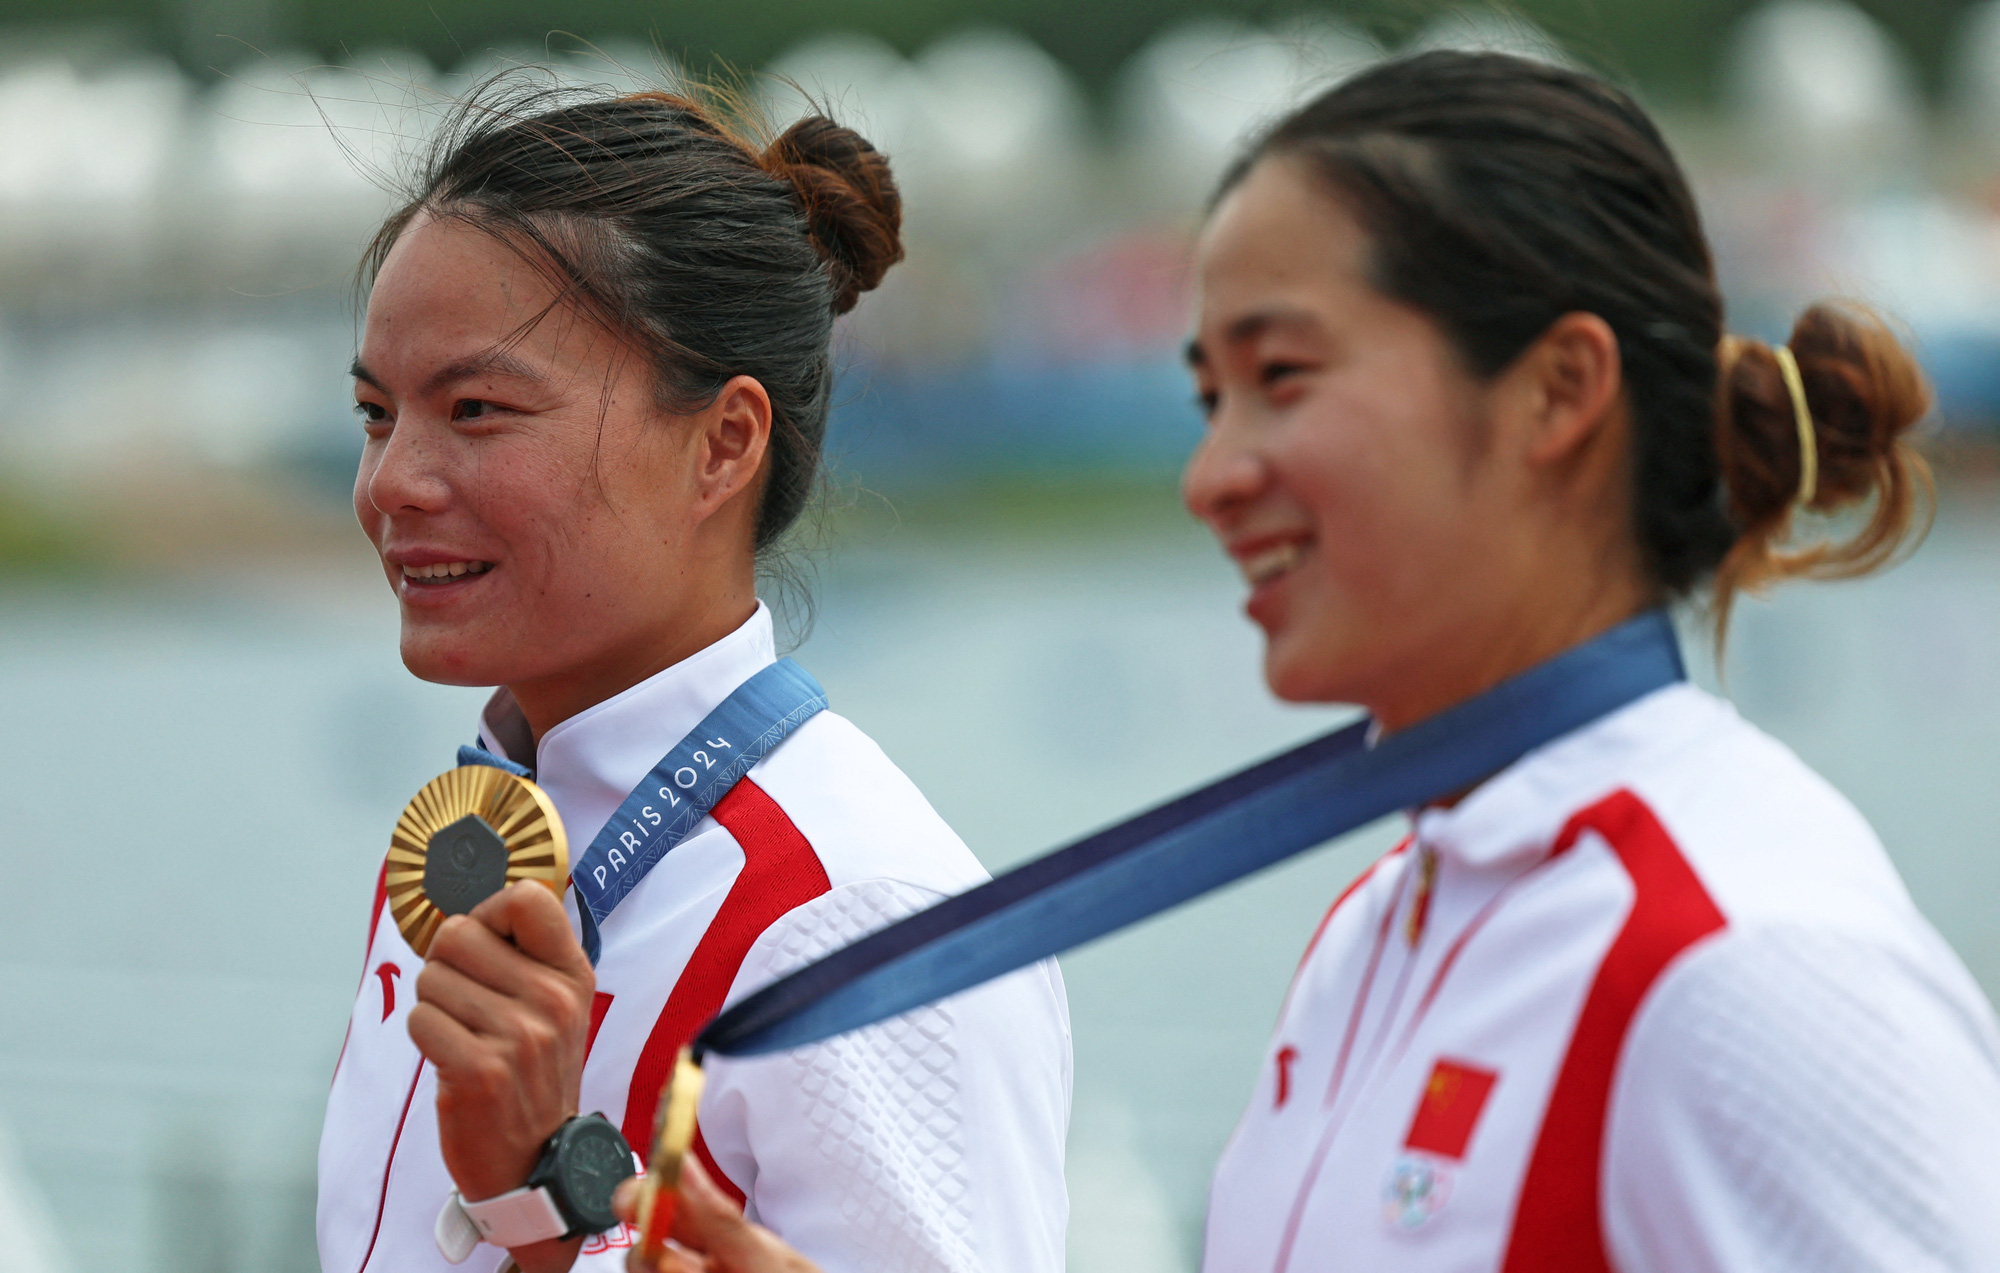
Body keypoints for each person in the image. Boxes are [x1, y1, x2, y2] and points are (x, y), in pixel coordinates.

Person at [613, 50, 2000, 1273]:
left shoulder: (1741, 964)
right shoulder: (1383, 920)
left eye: (1284, 380)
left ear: (1559, 393)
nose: (1211, 476)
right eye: (1210, 398)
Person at [315, 81, 1072, 1273]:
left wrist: (543, 1203)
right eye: (374, 414)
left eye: (473, 409)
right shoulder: (469, 843)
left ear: (722, 442)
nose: (393, 481)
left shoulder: (862, 923)